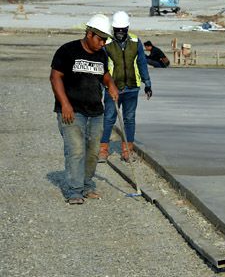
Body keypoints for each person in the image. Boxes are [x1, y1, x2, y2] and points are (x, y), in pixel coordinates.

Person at [50, 14, 119, 204]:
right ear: (89, 34)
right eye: (100, 39)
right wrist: (65, 104)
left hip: (96, 111)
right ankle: (74, 191)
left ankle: (87, 185)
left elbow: (104, 74)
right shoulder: (68, 51)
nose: (103, 43)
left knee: (93, 151)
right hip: (72, 110)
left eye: (105, 40)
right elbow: (55, 77)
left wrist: (111, 85)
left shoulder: (101, 54)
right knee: (76, 150)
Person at [99, 11, 152, 163]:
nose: (120, 32)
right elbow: (102, 67)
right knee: (109, 118)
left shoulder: (136, 42)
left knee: (129, 119)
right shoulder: (106, 44)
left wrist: (147, 83)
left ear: (127, 27)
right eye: (117, 30)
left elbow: (142, 63)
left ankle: (127, 151)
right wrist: (102, 87)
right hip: (112, 88)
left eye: (123, 29)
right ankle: (103, 150)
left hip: (132, 88)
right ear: (113, 29)